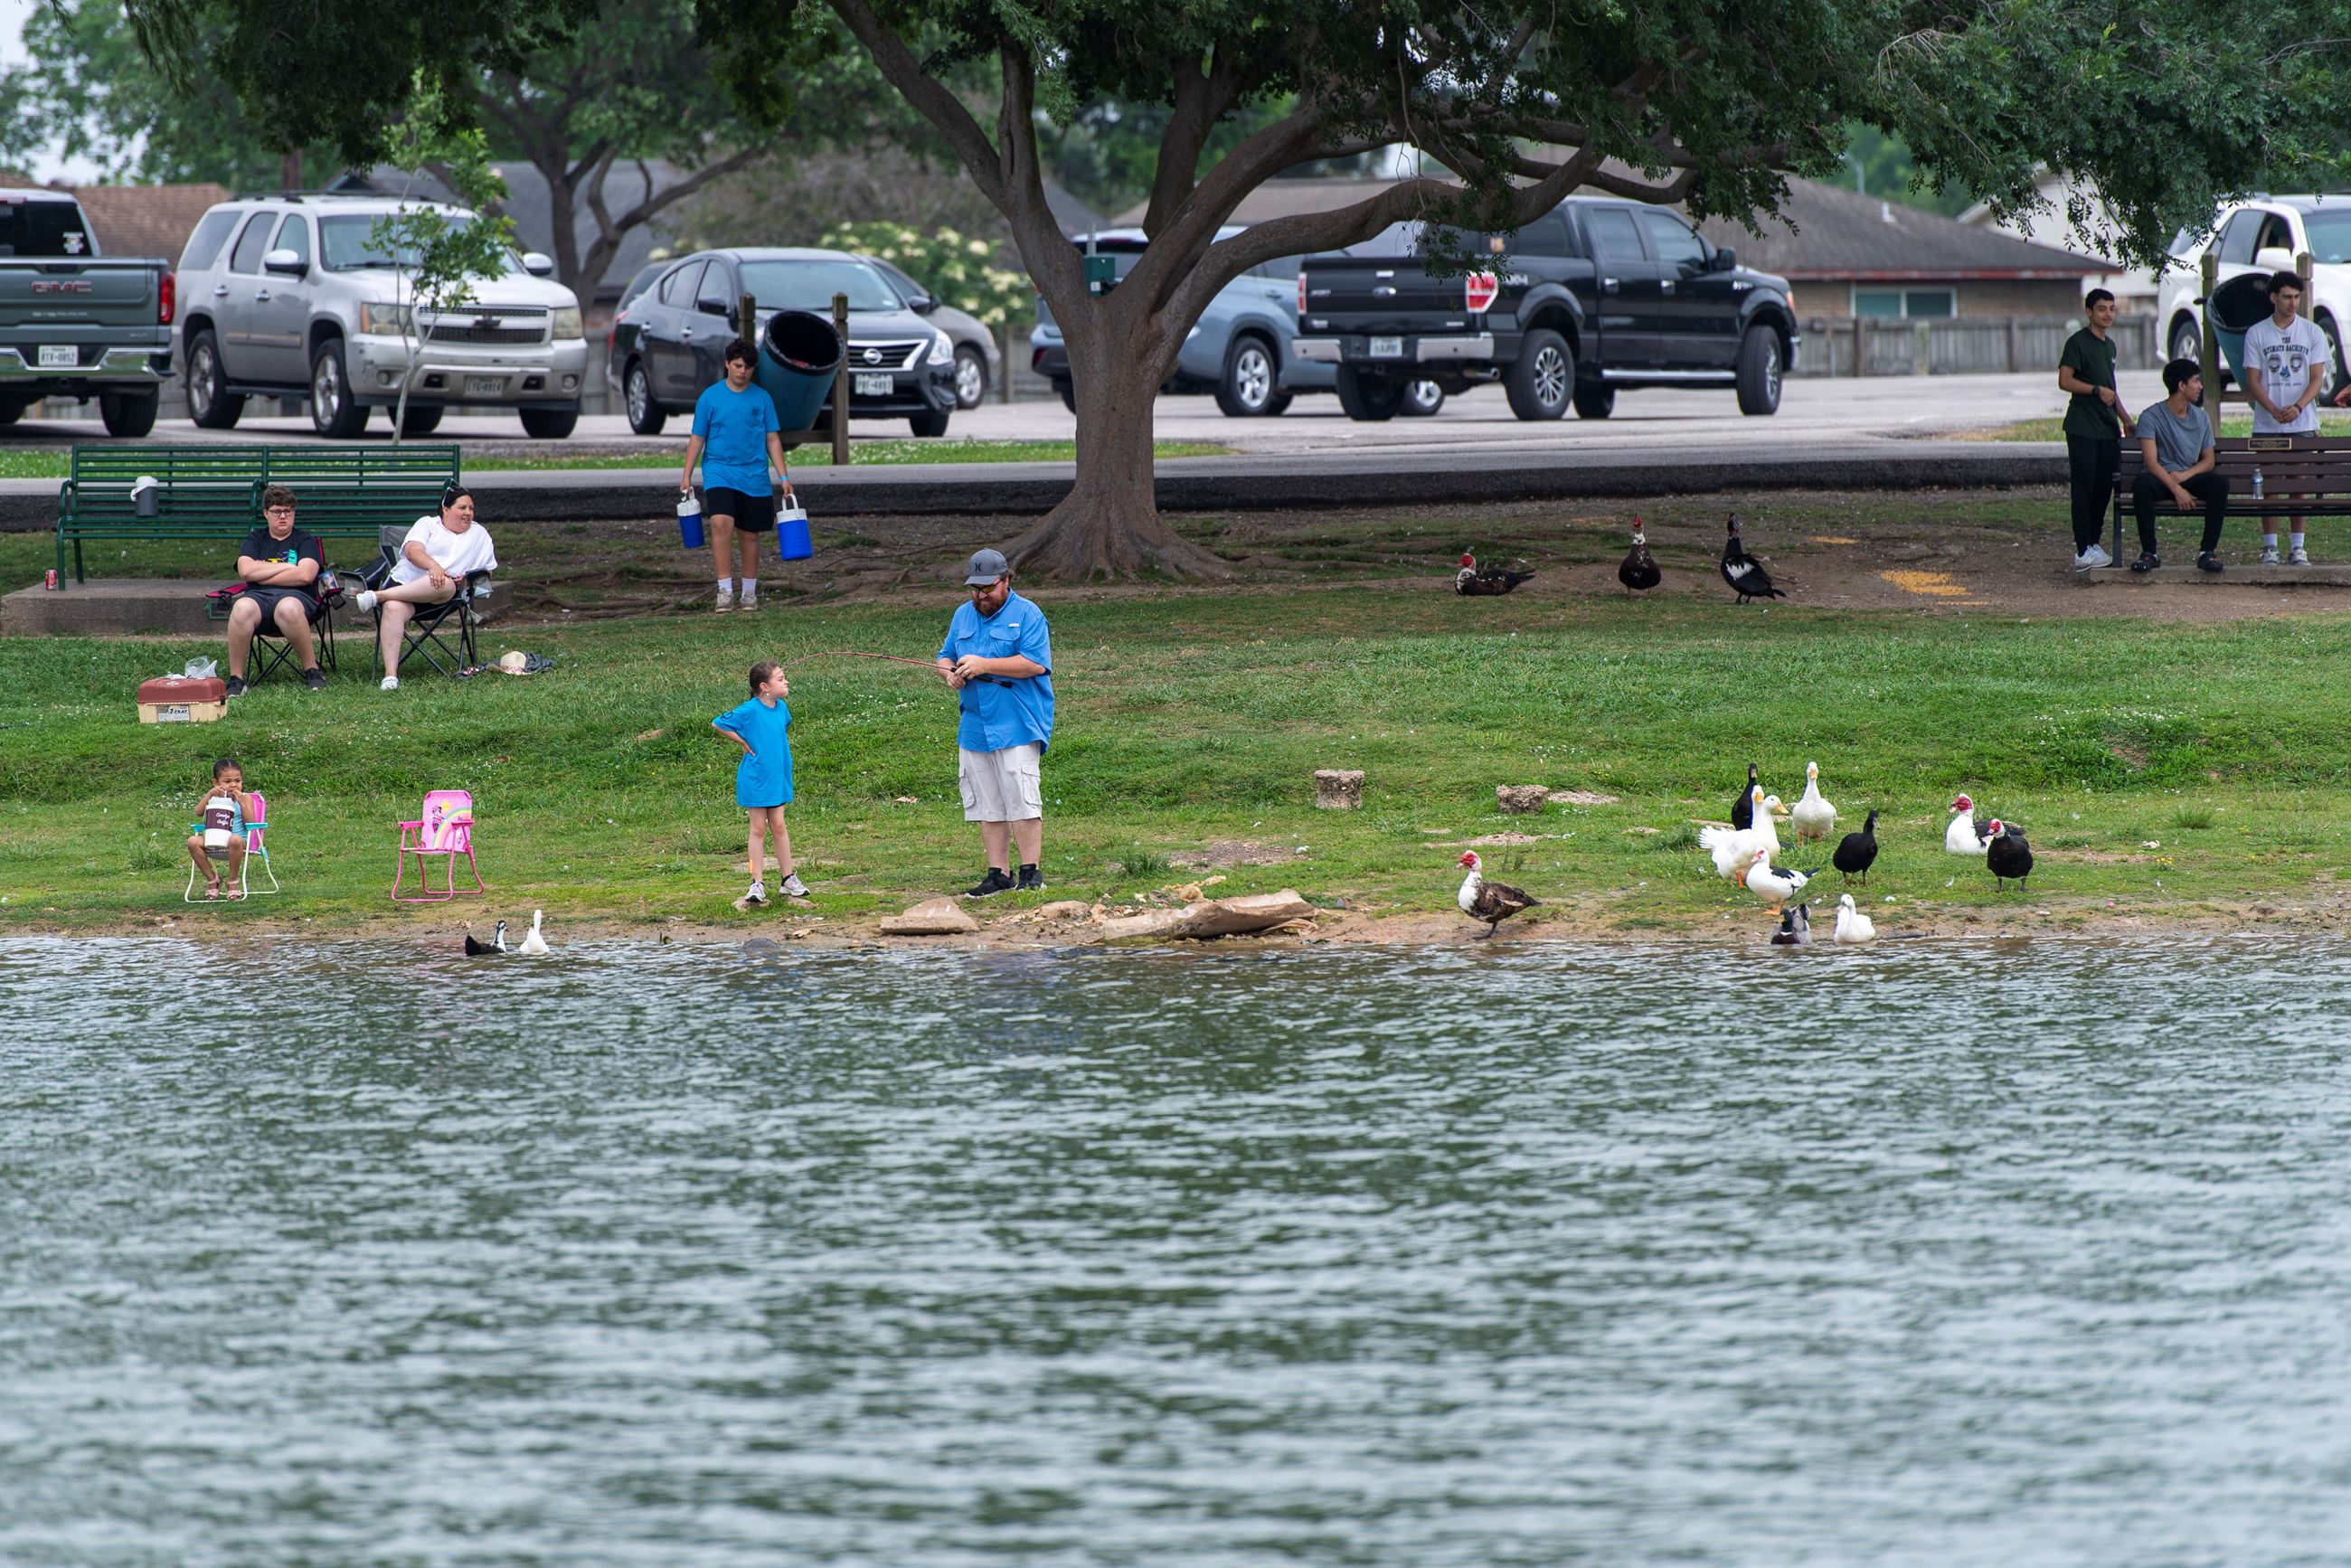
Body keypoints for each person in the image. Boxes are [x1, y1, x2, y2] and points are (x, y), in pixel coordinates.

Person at [936, 548, 1053, 897]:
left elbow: (1035, 663)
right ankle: (998, 874)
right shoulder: (963, 614)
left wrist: (985, 665)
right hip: (975, 725)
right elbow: (945, 656)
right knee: (987, 802)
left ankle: (1030, 872)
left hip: (1017, 721)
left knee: (1021, 797)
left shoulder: (1028, 614)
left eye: (987, 588)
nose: (980, 596)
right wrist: (949, 674)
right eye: (975, 589)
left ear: (1006, 580)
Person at [681, 338, 792, 614]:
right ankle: (724, 592)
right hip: (719, 471)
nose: (743, 371)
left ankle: (749, 594)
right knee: (720, 523)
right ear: (727, 364)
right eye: (738, 365)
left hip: (754, 475)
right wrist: (687, 475)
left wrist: (784, 477)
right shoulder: (710, 397)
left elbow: (772, 440)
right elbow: (697, 438)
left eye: (748, 367)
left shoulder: (762, 399)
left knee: (750, 534)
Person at [353, 486, 498, 691]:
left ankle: (377, 596)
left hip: (443, 598)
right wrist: (433, 566)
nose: (468, 513)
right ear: (445, 509)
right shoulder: (428, 524)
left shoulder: (479, 534)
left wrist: (466, 580)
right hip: (404, 586)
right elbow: (413, 551)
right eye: (462, 508)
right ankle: (390, 676)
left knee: (443, 583)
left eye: (471, 508)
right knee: (393, 607)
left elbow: (487, 571)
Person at [2244, 269, 2327, 563]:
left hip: (2302, 421)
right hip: (2267, 423)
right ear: (2273, 298)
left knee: (2298, 484)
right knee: (2270, 485)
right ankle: (2270, 547)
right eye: (2287, 297)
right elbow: (2253, 380)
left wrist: (2299, 407)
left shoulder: (2312, 332)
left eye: (2296, 297)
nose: (2292, 303)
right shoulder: (2257, 333)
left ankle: (2297, 547)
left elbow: (2316, 378)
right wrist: (2273, 409)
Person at [712, 659, 806, 907]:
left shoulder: (782, 708)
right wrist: (743, 742)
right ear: (764, 687)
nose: (786, 682)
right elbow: (718, 722)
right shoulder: (750, 710)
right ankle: (756, 881)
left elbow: (780, 729)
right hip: (756, 778)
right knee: (758, 829)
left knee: (779, 826)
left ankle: (788, 879)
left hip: (777, 776)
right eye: (780, 679)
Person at [2057, 287, 2136, 571]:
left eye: (2112, 309)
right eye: (2102, 309)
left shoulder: (2109, 346)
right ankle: (2082, 549)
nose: (2108, 314)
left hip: (2107, 429)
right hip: (2082, 426)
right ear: (2089, 312)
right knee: (2084, 486)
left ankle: (2094, 542)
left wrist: (2126, 419)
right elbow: (2065, 380)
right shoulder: (2077, 343)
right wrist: (2094, 390)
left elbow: (2110, 388)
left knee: (2104, 487)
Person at [2131, 357, 2231, 574]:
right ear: (2181, 386)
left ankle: (2207, 552)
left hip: (2187, 475)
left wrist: (2185, 476)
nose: (2200, 386)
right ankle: (2149, 553)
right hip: (2160, 478)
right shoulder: (2150, 417)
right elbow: (2151, 463)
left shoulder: (2201, 417)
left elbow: (2208, 461)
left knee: (2219, 485)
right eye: (2195, 381)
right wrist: (2177, 489)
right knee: (2142, 485)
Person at [225, 485, 327, 694]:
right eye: (277, 511)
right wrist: (287, 567)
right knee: (241, 607)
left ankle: (313, 670)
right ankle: (236, 679)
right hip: (258, 599)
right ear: (266, 513)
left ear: (294, 512)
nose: (283, 516)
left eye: (288, 511)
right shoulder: (256, 539)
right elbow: (245, 571)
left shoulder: (304, 540)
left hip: (298, 598)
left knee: (287, 607)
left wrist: (262, 571)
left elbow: (305, 575)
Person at [184, 755, 256, 900]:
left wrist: (242, 803)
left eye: (238, 781)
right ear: (216, 783)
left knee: (234, 839)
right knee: (192, 841)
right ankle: (213, 879)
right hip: (214, 841)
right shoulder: (214, 797)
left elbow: (251, 823)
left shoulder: (245, 798)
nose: (234, 785)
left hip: (238, 843)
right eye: (227, 781)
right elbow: (198, 812)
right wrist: (209, 794)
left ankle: (232, 881)